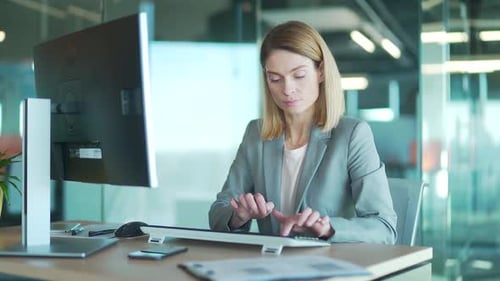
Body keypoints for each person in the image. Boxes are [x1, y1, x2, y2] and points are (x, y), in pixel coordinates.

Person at [208, 20, 397, 244]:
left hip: (327, 269)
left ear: (321, 72)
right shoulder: (255, 134)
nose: (287, 89)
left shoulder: (352, 135)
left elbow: (384, 228)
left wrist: (328, 228)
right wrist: (238, 216)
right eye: (275, 79)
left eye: (298, 76)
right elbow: (219, 211)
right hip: (269, 267)